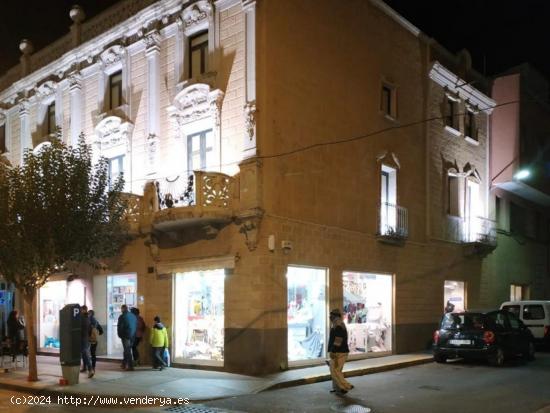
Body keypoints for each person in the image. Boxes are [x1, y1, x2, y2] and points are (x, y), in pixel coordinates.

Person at [327, 309, 353, 395]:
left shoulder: (338, 325)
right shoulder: (338, 324)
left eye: (331, 315)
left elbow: (338, 339)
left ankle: (346, 386)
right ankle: (341, 388)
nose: (330, 317)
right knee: (336, 371)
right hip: (340, 351)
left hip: (339, 352)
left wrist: (333, 351)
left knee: (335, 371)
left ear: (335, 316)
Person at [117, 304, 137, 371]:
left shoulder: (122, 316)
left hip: (126, 336)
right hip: (133, 335)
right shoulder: (133, 316)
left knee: (127, 351)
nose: (121, 310)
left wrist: (119, 335)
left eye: (121, 309)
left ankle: (130, 366)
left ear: (123, 309)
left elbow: (120, 327)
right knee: (127, 350)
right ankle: (124, 364)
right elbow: (135, 325)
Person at [80, 305, 94, 378]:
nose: (80, 311)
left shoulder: (82, 318)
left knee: (85, 354)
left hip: (83, 339)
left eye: (81, 310)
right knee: (84, 354)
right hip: (87, 338)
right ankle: (85, 368)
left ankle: (90, 369)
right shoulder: (88, 318)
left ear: (83, 310)